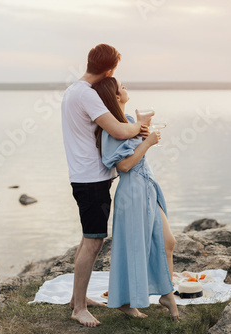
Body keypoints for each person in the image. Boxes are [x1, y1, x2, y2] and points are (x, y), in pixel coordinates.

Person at [61, 44, 153, 327]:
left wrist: (134, 127)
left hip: (83, 177)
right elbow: (117, 129)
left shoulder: (72, 91)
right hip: (91, 181)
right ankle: (78, 308)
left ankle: (80, 297)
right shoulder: (87, 95)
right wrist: (141, 126)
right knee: (94, 242)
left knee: (87, 238)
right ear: (110, 70)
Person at [92, 77, 179, 321]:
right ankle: (129, 303)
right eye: (121, 87)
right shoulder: (111, 131)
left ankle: (165, 294)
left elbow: (135, 151)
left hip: (147, 187)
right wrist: (148, 142)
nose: (125, 87)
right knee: (132, 248)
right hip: (131, 192)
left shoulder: (129, 121)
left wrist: (143, 132)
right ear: (115, 96)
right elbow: (125, 165)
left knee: (168, 241)